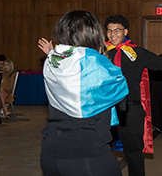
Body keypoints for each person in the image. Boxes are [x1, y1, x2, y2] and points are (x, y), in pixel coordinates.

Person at [38, 10, 128, 176]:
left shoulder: (51, 60)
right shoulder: (95, 61)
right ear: (93, 33)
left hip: (51, 152)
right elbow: (121, 90)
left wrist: (51, 52)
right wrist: (104, 57)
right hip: (88, 155)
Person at [104, 15, 162, 176]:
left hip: (130, 109)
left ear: (125, 31)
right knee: (99, 149)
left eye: (117, 30)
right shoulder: (101, 52)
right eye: (109, 31)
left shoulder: (136, 53)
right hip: (105, 109)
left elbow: (161, 64)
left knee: (134, 153)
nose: (113, 34)